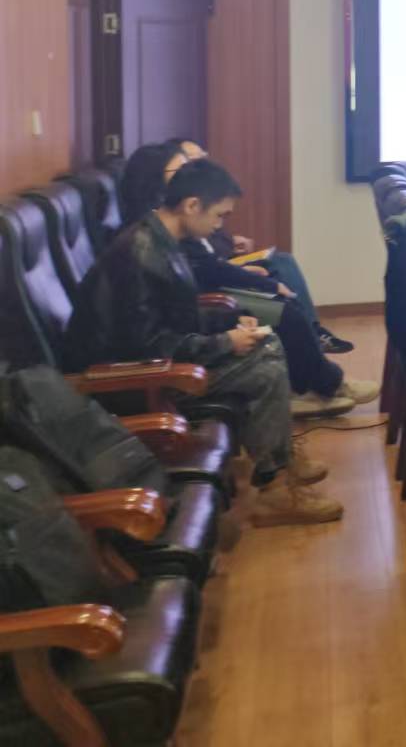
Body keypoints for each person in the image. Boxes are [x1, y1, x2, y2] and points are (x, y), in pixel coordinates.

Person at [64, 160, 341, 526]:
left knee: (265, 346)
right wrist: (224, 343)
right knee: (266, 359)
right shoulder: (141, 256)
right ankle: (275, 483)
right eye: (219, 215)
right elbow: (151, 347)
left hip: (151, 364)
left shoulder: (160, 239)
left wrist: (230, 322)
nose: (220, 226)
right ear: (192, 205)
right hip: (131, 382)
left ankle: (278, 467)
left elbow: (177, 317)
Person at [157, 145, 377, 415]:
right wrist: (228, 336)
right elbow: (162, 336)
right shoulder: (154, 246)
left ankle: (316, 381)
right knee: (283, 316)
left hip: (214, 298)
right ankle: (321, 385)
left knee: (283, 291)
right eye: (182, 165)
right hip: (214, 300)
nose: (218, 224)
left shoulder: (171, 232)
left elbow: (203, 275)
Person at [158, 137, 354, 355]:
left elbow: (215, 248)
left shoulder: (180, 222)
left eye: (200, 159)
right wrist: (228, 337)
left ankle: (313, 333)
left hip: (223, 271)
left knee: (282, 265)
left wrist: (233, 246)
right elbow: (206, 270)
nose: (194, 168)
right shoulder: (166, 233)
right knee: (284, 311)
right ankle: (314, 347)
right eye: (186, 165)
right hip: (216, 291)